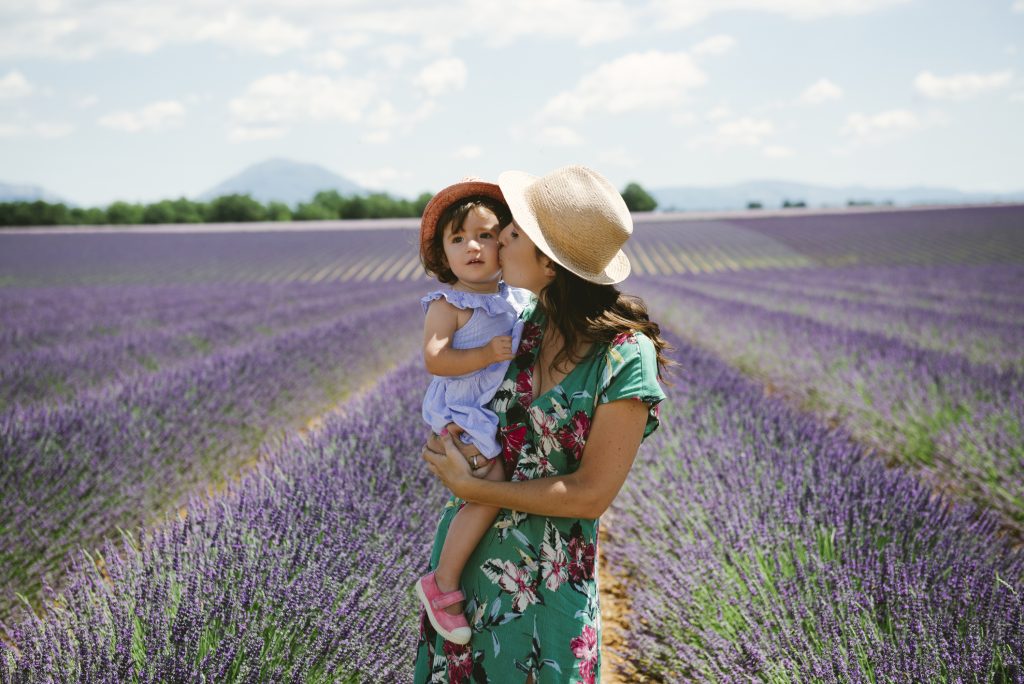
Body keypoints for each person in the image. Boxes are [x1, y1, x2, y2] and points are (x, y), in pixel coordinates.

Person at [414, 165, 672, 683]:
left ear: (549, 265)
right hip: (467, 581)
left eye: (510, 235)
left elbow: (589, 495)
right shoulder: (523, 325)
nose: (495, 245)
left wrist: (471, 485)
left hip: (549, 584)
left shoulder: (625, 358)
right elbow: (458, 390)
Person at [414, 179, 534, 645]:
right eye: (459, 239)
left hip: (491, 412)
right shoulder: (449, 304)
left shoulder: (515, 298)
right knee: (491, 487)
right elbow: (435, 359)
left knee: (489, 490)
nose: (474, 247)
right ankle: (442, 583)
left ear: (504, 243)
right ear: (444, 257)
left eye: (486, 235)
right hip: (463, 413)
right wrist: (484, 354)